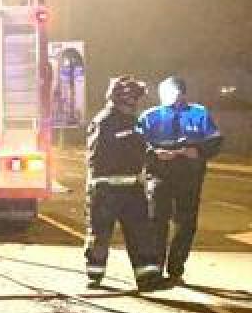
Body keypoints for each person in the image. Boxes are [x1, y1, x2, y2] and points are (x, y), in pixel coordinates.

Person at [136, 75, 222, 282]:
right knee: (156, 220)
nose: (173, 98)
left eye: (176, 93)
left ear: (184, 93)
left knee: (186, 223)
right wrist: (153, 153)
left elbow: (215, 140)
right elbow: (136, 142)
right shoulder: (150, 116)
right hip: (159, 174)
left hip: (189, 176)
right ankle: (155, 266)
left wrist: (196, 151)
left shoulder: (198, 113)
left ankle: (176, 267)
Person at [85, 76, 165, 290]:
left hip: (131, 189)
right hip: (107, 190)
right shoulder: (105, 121)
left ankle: (147, 278)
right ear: (120, 98)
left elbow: (142, 150)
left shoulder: (131, 121)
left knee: (141, 234)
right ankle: (95, 274)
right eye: (132, 99)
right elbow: (99, 157)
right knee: (100, 235)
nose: (135, 104)